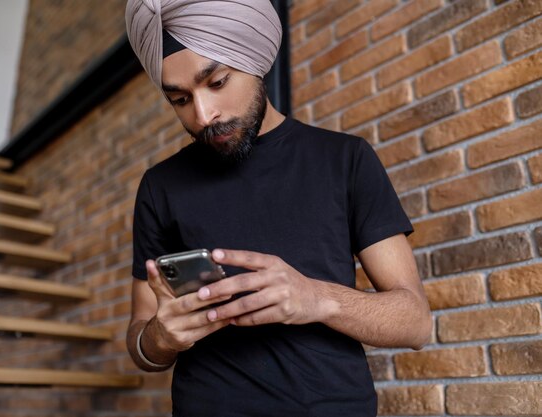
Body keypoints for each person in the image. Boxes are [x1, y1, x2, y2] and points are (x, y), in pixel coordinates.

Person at [125, 1, 432, 416]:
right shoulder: (160, 187)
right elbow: (142, 340)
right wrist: (161, 338)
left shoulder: (345, 160)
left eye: (216, 82)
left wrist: (316, 297)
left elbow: (415, 322)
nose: (203, 115)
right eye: (180, 99)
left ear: (252, 59)